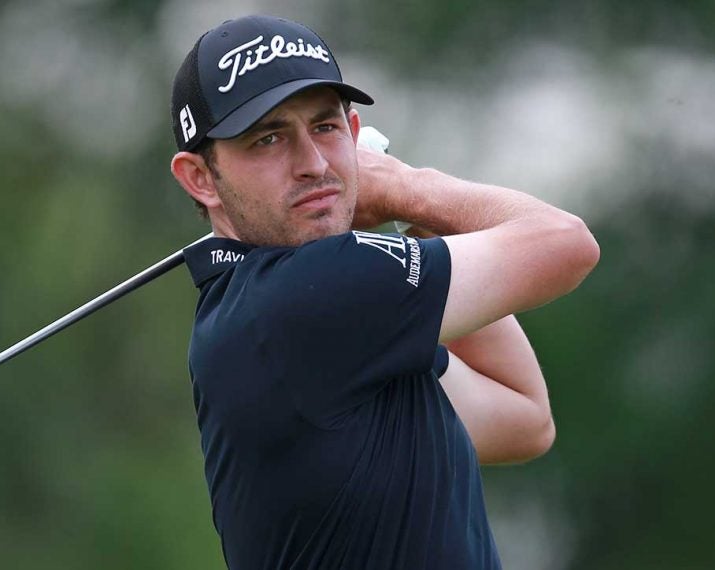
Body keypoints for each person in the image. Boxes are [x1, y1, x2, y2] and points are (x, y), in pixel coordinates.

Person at [168, 15, 599, 570]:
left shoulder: (294, 319)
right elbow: (567, 244)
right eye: (268, 138)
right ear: (201, 177)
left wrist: (402, 223)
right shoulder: (305, 295)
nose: (314, 165)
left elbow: (523, 416)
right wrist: (404, 187)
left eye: (324, 128)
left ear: (352, 135)